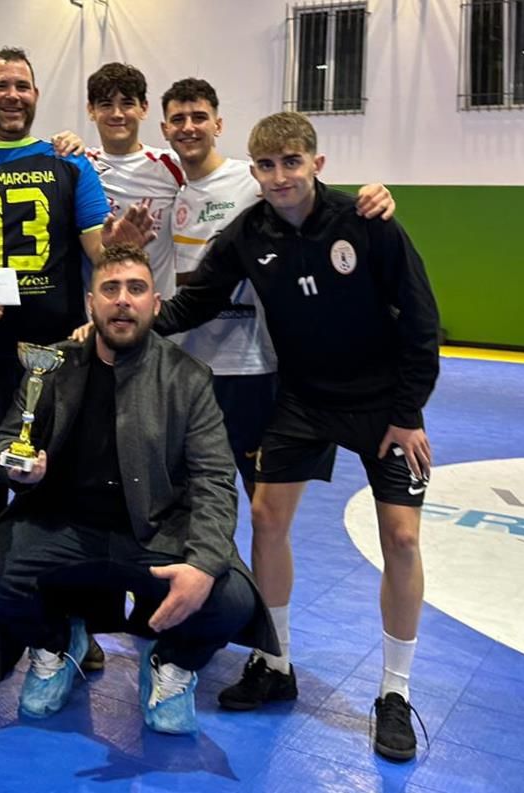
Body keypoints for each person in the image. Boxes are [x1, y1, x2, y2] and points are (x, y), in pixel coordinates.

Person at [155, 112, 440, 761]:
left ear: (317, 162)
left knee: (401, 535)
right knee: (266, 516)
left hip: (383, 404)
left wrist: (409, 411)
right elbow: (196, 300)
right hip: (305, 399)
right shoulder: (248, 233)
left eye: (291, 162)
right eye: (267, 166)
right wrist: (131, 322)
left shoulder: (366, 222)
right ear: (254, 173)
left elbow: (423, 319)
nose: (280, 176)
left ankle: (394, 693)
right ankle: (274, 659)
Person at [0, 243, 277, 734]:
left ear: (156, 302)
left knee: (231, 596)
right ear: (92, 303)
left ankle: (171, 665)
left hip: (155, 533)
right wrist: (15, 465)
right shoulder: (54, 365)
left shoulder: (189, 378)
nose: (123, 300)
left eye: (136, 289)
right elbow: (9, 437)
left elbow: (216, 480)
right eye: (110, 289)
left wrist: (201, 564)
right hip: (64, 526)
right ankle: (55, 644)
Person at [0, 47, 152, 553]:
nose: (12, 95)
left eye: (21, 86)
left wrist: (122, 241)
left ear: (36, 96)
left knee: (65, 476)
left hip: (60, 354)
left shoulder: (69, 163)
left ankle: (57, 609)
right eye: (0, 85)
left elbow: (97, 250)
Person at [161, 77, 395, 499]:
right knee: (192, 495)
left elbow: (308, 192)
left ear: (218, 124)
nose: (188, 127)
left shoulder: (251, 179)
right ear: (164, 129)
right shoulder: (169, 188)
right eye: (178, 118)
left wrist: (376, 198)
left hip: (256, 365)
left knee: (264, 502)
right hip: (192, 361)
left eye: (199, 117)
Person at [84, 63, 184, 298]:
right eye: (106, 104)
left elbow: (214, 177)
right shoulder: (79, 166)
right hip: (97, 318)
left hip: (161, 315)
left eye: (127, 103)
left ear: (144, 108)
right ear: (91, 110)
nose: (117, 114)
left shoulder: (171, 165)